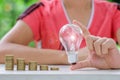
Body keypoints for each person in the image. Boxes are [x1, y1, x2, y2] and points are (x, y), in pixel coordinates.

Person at [0, 0, 120, 69]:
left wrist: (116, 61)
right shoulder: (42, 10)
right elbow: (2, 50)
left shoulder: (114, 11)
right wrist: (68, 57)